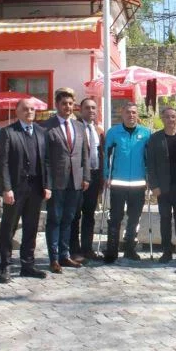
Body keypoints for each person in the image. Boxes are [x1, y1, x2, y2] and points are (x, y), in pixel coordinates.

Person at [0, 98, 50, 283]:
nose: (29, 112)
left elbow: (46, 161)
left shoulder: (42, 132)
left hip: (36, 188)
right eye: (25, 109)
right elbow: (1, 162)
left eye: (32, 109)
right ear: (18, 112)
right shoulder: (8, 132)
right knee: (8, 227)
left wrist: (47, 185)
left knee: (31, 227)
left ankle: (28, 265)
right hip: (15, 189)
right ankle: (5, 266)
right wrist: (6, 188)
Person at [43, 88, 90, 273]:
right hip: (56, 182)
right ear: (57, 105)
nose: (68, 107)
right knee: (55, 219)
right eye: (64, 104)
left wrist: (86, 176)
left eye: (70, 104)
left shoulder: (79, 126)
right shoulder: (47, 127)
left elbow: (84, 154)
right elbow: (45, 159)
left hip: (76, 182)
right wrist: (47, 183)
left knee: (69, 219)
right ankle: (53, 258)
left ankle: (65, 255)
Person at [146, 107, 176, 263]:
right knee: (165, 219)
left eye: (173, 117)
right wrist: (154, 186)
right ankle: (166, 251)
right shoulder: (155, 139)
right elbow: (150, 164)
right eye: (167, 117)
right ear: (162, 119)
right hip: (163, 187)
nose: (171, 120)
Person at [103, 102, 150, 263]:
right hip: (118, 182)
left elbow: (148, 158)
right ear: (122, 114)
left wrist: (149, 177)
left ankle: (130, 248)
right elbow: (106, 156)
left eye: (134, 112)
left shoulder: (145, 133)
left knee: (134, 217)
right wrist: (105, 175)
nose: (131, 115)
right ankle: (111, 250)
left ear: (137, 115)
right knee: (115, 217)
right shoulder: (114, 133)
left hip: (138, 183)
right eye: (128, 112)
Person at [70, 97, 105, 262]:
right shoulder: (75, 127)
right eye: (87, 108)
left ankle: (87, 248)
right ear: (80, 110)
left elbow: (102, 154)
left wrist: (103, 177)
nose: (91, 111)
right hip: (78, 177)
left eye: (93, 108)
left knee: (89, 214)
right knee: (75, 214)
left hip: (95, 175)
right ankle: (74, 250)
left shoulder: (98, 130)